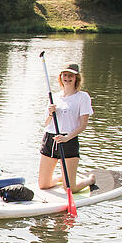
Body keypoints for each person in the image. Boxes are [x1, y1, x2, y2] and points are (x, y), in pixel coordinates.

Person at [39, 62, 95, 192]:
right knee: (43, 185)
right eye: (65, 75)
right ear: (61, 77)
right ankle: (61, 177)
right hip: (50, 139)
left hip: (68, 140)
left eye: (71, 76)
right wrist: (50, 113)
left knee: (70, 188)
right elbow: (46, 123)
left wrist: (66, 138)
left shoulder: (82, 97)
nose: (67, 78)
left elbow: (83, 125)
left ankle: (90, 180)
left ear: (76, 78)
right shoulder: (54, 97)